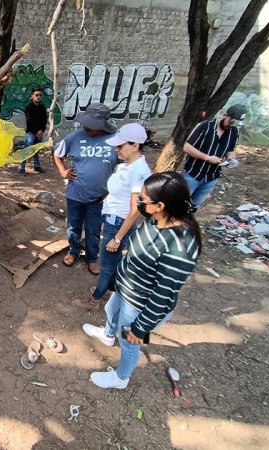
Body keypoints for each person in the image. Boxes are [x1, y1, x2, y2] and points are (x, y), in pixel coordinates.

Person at [82, 172, 202, 389]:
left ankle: (121, 378)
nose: (139, 201)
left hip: (140, 304)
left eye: (144, 199)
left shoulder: (179, 249)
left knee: (129, 341)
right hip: (127, 289)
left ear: (160, 205)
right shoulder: (154, 219)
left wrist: (141, 328)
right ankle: (108, 335)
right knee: (111, 310)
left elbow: (163, 294)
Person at [75, 123, 151, 311]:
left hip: (119, 222)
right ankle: (113, 292)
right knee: (113, 262)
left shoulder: (139, 171)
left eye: (120, 146)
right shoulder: (127, 166)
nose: (116, 149)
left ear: (135, 145)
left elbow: (134, 211)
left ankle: (96, 298)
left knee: (107, 265)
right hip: (112, 219)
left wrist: (117, 238)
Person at [53, 103, 118, 275]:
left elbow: (126, 165)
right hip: (75, 194)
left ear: (103, 125)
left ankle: (91, 258)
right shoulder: (75, 137)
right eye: (86, 123)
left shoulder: (115, 140)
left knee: (93, 229)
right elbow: (57, 154)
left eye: (92, 125)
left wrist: (113, 187)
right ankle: (73, 251)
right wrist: (63, 171)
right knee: (73, 227)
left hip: (99, 198)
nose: (87, 127)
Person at [181, 105, 247, 207]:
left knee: (194, 206)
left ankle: (187, 222)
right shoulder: (205, 126)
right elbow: (187, 147)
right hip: (192, 174)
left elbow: (231, 150)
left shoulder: (234, 132)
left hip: (211, 178)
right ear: (225, 115)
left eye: (236, 124)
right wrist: (207, 158)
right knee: (179, 203)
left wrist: (232, 159)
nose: (231, 126)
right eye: (231, 122)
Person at [20, 87, 47, 175]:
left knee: (36, 150)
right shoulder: (29, 107)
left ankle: (37, 166)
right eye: (36, 95)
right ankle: (22, 168)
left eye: (40, 95)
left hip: (39, 133)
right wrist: (37, 132)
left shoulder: (42, 107)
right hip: (31, 133)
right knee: (27, 149)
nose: (38, 97)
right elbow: (29, 121)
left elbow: (44, 120)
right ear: (32, 96)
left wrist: (41, 131)